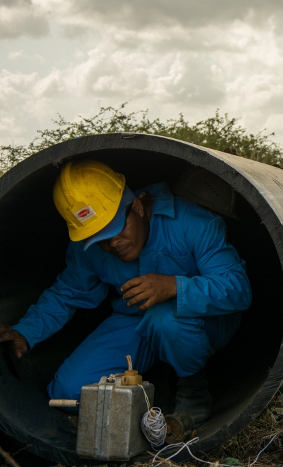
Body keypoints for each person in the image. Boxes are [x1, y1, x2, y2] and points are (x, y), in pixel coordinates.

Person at [0, 159, 252, 426]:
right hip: (136, 319)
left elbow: (238, 289)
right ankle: (153, 395)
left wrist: (174, 286)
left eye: (116, 228)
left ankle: (193, 390)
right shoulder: (90, 247)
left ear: (138, 206)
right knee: (71, 392)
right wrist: (26, 331)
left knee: (165, 320)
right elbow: (69, 292)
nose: (113, 243)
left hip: (201, 320)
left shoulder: (192, 222)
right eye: (99, 237)